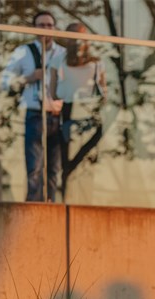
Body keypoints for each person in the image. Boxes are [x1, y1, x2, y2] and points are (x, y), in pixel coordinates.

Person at [1, 11, 65, 202]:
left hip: (57, 114)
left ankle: (51, 204)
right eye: (41, 25)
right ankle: (34, 205)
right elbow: (5, 82)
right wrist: (28, 78)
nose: (46, 29)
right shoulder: (23, 52)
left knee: (54, 168)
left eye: (49, 25)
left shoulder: (62, 53)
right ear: (34, 29)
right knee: (35, 167)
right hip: (34, 113)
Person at [52, 23, 107, 199]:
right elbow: (52, 90)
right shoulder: (58, 60)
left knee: (87, 159)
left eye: (81, 36)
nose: (77, 40)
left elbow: (102, 90)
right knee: (64, 156)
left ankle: (82, 194)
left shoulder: (96, 63)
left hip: (89, 112)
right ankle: (65, 194)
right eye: (73, 36)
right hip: (67, 111)